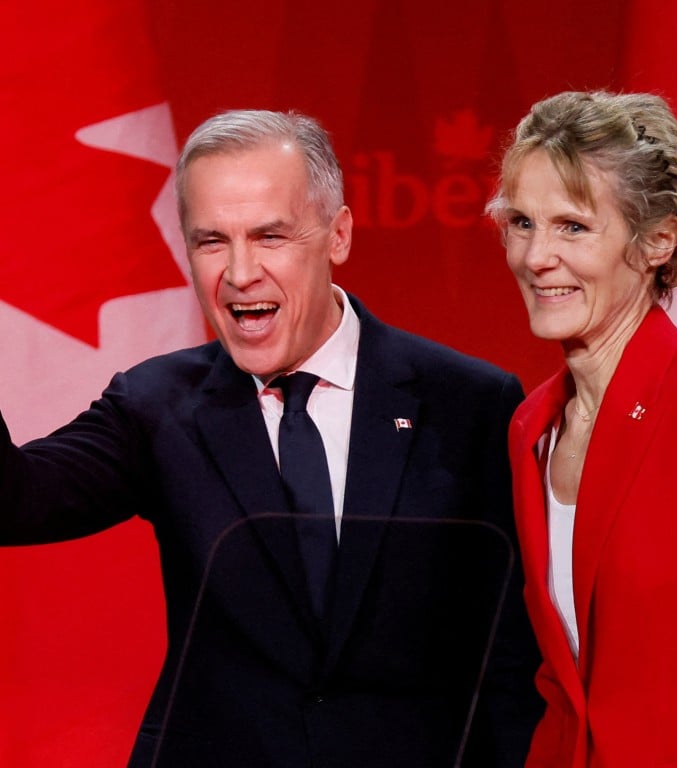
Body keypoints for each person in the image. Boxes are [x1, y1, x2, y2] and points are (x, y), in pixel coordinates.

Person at [0, 110, 543, 767]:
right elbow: (14, 500)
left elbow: (510, 655)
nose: (239, 272)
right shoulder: (156, 406)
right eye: (210, 241)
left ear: (337, 234)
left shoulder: (471, 404)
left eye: (269, 236)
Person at [486, 90, 677, 767]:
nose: (535, 257)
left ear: (658, 240)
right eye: (522, 222)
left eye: (573, 227)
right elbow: (563, 682)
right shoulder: (531, 424)